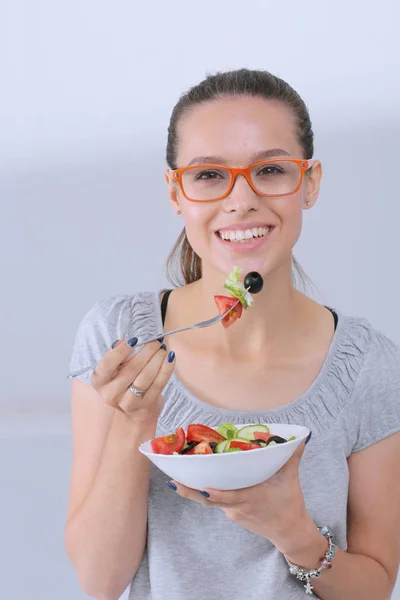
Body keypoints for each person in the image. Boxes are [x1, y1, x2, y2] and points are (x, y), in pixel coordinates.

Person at [65, 68, 400, 600]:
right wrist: (135, 424)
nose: (240, 200)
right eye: (207, 175)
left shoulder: (369, 365)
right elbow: (100, 581)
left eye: (269, 169)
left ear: (309, 183)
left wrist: (295, 533)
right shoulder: (117, 336)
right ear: (176, 194)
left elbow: (375, 587)